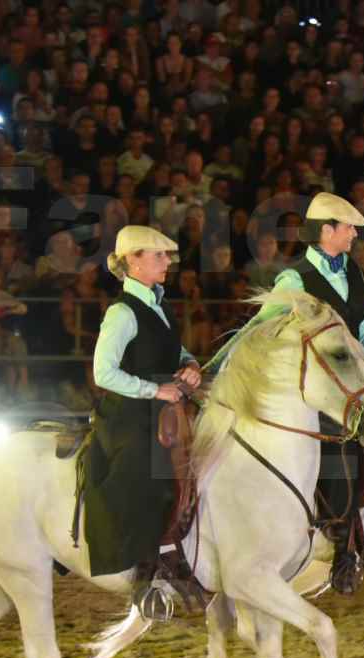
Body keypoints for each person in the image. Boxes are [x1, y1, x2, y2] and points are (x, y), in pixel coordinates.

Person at [207, 193, 364, 591]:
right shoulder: (294, 280)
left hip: (348, 380)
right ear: (327, 231)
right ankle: (333, 541)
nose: (354, 234)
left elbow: (362, 331)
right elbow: (257, 329)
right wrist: (215, 369)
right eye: (348, 227)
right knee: (338, 454)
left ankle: (357, 539)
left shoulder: (352, 273)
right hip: (313, 388)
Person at [83, 226, 205, 619]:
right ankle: (144, 577)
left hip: (164, 409)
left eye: (166, 256)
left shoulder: (158, 304)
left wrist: (190, 364)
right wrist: (156, 391)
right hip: (130, 416)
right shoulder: (121, 313)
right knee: (147, 472)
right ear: (133, 261)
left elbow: (173, 350)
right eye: (158, 256)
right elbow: (104, 372)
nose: (167, 261)